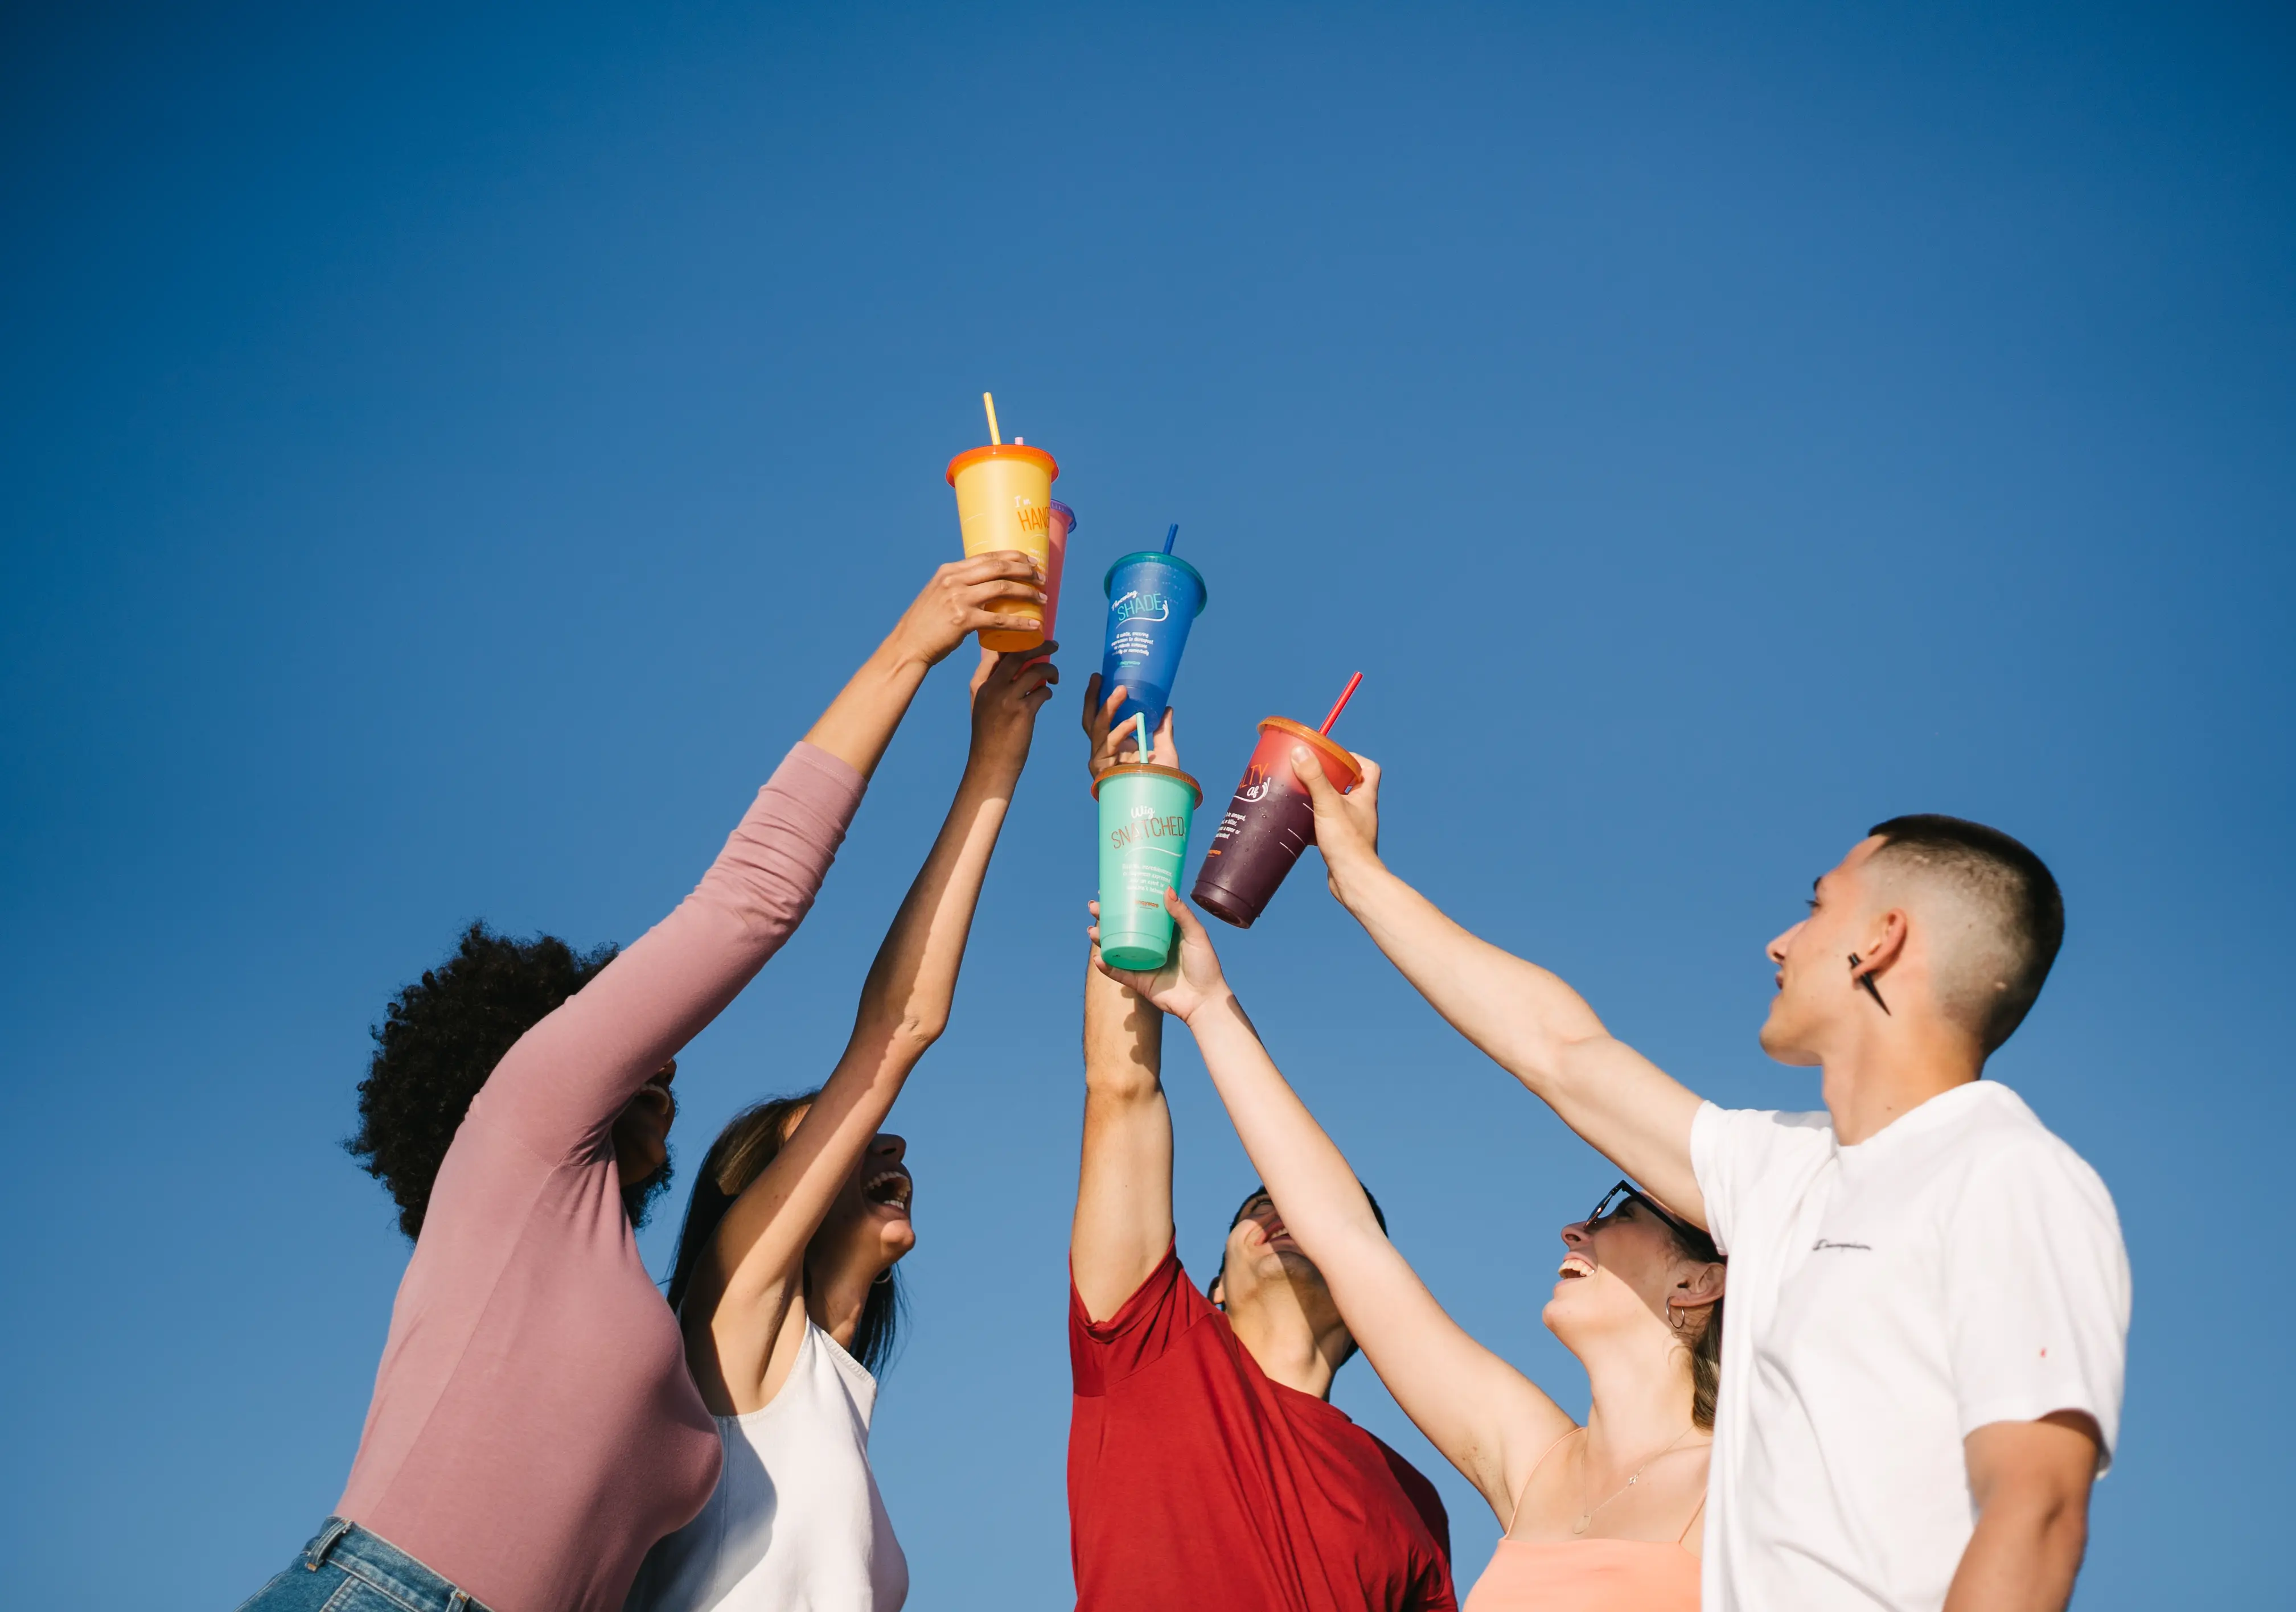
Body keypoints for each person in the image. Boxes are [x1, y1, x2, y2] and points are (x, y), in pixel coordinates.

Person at [235, 554, 1050, 1612]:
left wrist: (997, 758)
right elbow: (758, 902)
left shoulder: (630, 1304)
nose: (666, 1052)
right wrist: (915, 646)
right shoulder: (524, 1116)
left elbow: (900, 1036)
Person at [1279, 745, 2131, 1612]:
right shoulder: (1779, 1173)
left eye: (1817, 907)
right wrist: (1358, 876)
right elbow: (1561, 1051)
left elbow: (2036, 1511)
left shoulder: (2005, 1175)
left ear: (1882, 940)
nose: (1781, 942)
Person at [1096, 889, 1722, 1612]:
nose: (1575, 1230)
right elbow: (1345, 1238)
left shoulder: (1752, 1480)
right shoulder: (1535, 1463)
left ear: (1698, 1281)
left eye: (1618, 1211)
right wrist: (1209, 1008)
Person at [627, 638, 1055, 1612]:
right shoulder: (729, 1315)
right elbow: (900, 1028)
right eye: (827, 1137)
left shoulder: (829, 1397)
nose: (887, 1141)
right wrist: (993, 765)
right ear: (766, 1195)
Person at [1066, 681, 1456, 1612]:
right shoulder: (1150, 1345)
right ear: (1206, 1291)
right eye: (1255, 1208)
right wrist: (1137, 814)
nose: (1278, 1210)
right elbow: (1122, 1089)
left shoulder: (1413, 1500)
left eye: (1306, 1213)